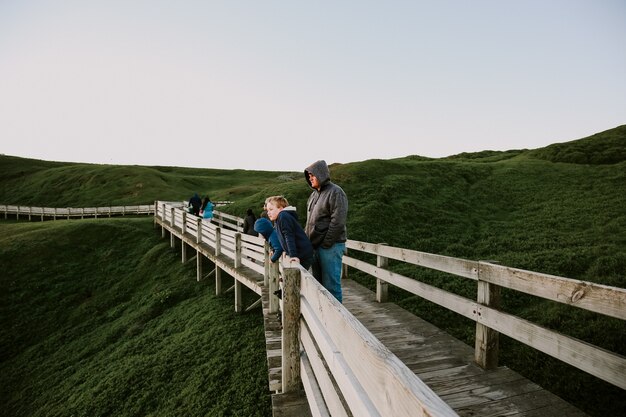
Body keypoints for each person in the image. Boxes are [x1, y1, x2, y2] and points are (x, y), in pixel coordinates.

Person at [304, 160, 348, 303]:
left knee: (331, 287)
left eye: (312, 175)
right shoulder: (313, 196)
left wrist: (326, 243)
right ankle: (323, 320)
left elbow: (338, 222)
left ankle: (336, 323)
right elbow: (309, 223)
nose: (310, 178)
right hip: (315, 247)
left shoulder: (336, 192)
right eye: (308, 175)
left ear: (321, 174)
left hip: (330, 247)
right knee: (319, 286)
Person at [265, 195, 313, 270]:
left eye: (271, 209)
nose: (268, 213)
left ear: (280, 208)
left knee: (299, 279)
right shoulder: (279, 219)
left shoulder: (283, 216)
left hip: (302, 254)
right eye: (267, 210)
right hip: (301, 253)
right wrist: (285, 250)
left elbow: (289, 236)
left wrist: (293, 255)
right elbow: (282, 238)